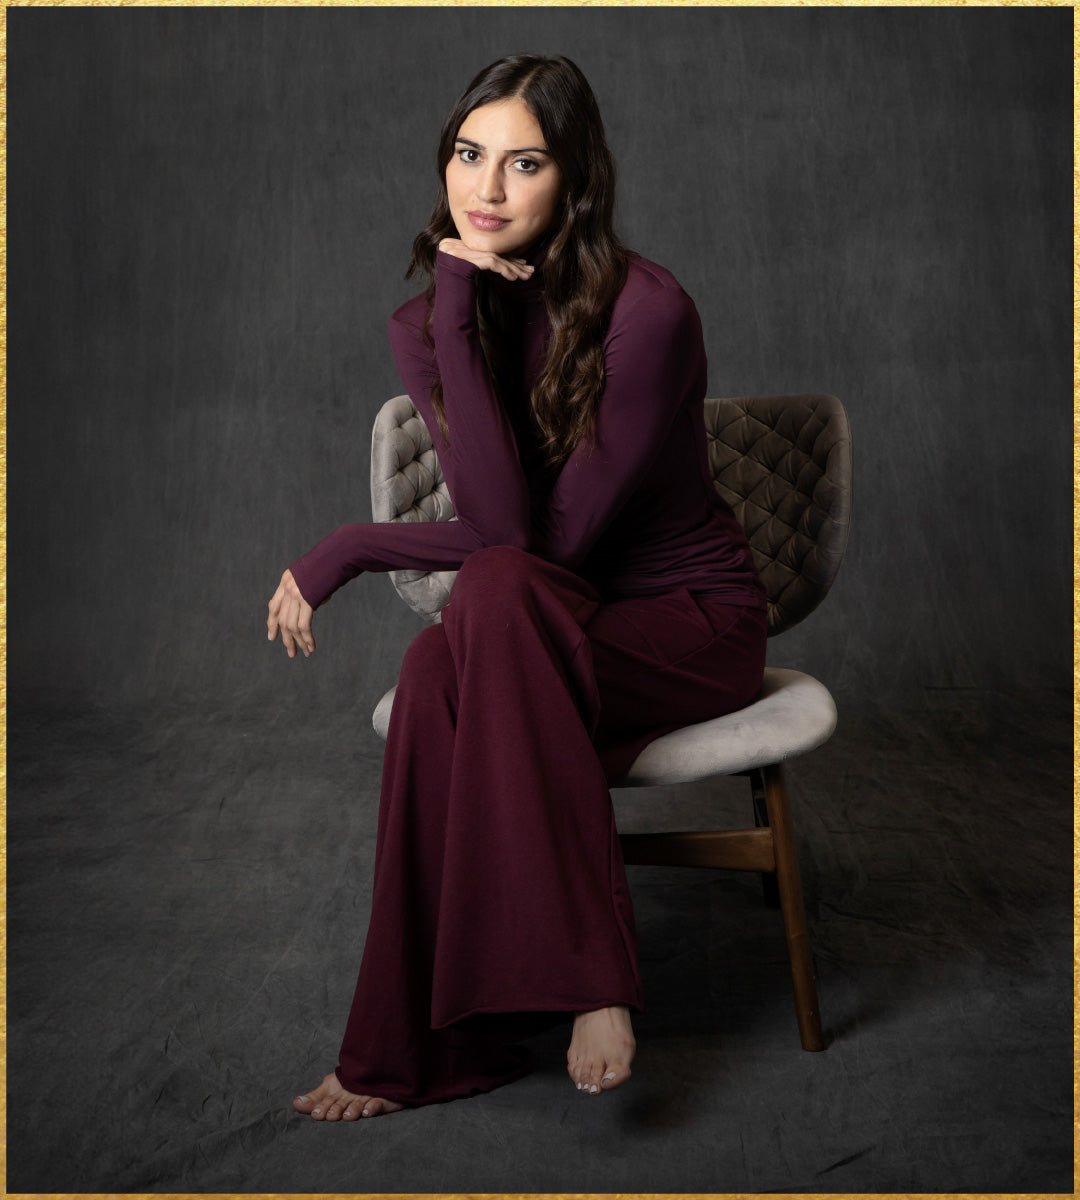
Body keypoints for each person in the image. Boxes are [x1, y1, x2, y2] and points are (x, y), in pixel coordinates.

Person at [266, 54, 767, 1121]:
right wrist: (453, 311)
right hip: (540, 618)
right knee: (447, 648)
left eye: (523, 163)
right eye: (467, 154)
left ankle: (554, 994)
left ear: (573, 180)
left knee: (486, 609)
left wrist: (352, 546)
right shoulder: (429, 321)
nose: (485, 189)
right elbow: (504, 539)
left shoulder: (648, 312)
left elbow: (547, 543)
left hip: (687, 624)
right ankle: (450, 1041)